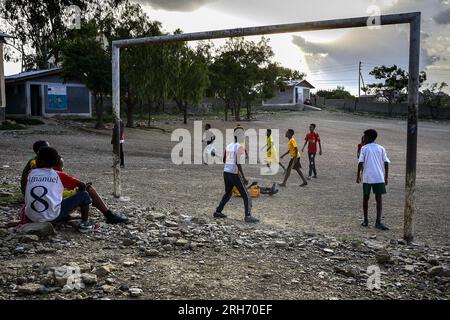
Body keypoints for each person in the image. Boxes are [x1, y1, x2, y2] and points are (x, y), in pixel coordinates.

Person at [24, 147, 99, 232]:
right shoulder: (59, 175)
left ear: (41, 161)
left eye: (37, 158)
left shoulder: (30, 173)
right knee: (84, 195)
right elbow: (81, 184)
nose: (35, 160)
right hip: (52, 217)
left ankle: (59, 216)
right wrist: (81, 190)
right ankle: (85, 223)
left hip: (31, 216)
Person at [54, 157, 128, 224]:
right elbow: (58, 194)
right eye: (60, 168)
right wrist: (75, 191)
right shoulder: (56, 175)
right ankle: (87, 223)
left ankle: (108, 214)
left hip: (50, 209)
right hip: (54, 210)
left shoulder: (46, 174)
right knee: (86, 192)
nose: (62, 170)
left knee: (86, 190)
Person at [214, 126, 259, 223]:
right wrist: (243, 177)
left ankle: (218, 211)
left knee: (228, 193)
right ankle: (248, 216)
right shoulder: (239, 146)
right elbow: (238, 162)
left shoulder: (229, 146)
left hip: (226, 172)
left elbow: (224, 160)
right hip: (234, 173)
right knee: (246, 195)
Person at [356, 129, 390, 230]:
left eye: (365, 136)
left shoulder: (364, 148)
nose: (363, 138)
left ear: (369, 137)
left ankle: (366, 221)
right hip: (379, 177)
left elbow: (360, 162)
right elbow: (386, 162)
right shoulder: (381, 148)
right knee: (378, 199)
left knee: (366, 198)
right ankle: (378, 222)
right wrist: (386, 176)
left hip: (367, 177)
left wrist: (358, 175)